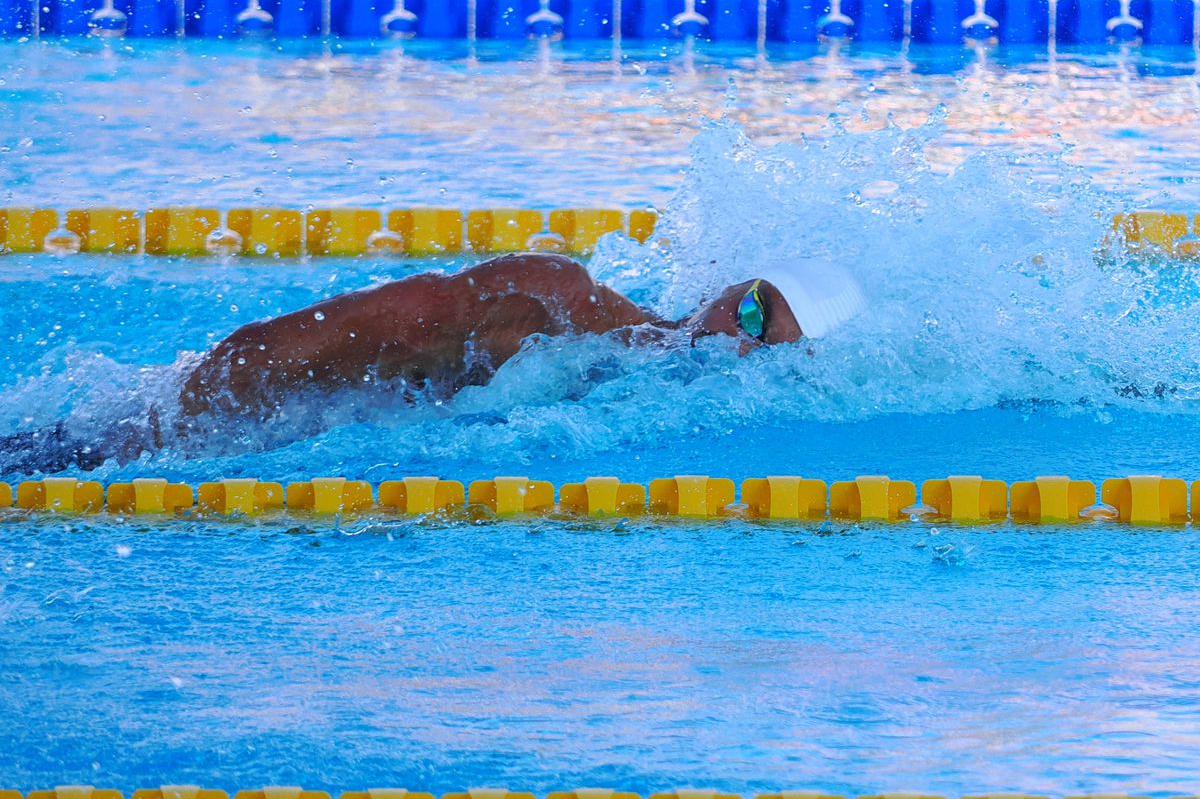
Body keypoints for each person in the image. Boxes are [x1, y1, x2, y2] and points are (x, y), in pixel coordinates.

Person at [0, 252, 864, 473]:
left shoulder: (647, 408)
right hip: (173, 430)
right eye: (753, 307)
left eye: (767, 343)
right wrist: (182, 421)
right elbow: (396, 315)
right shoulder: (557, 300)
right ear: (728, 285)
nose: (737, 338)